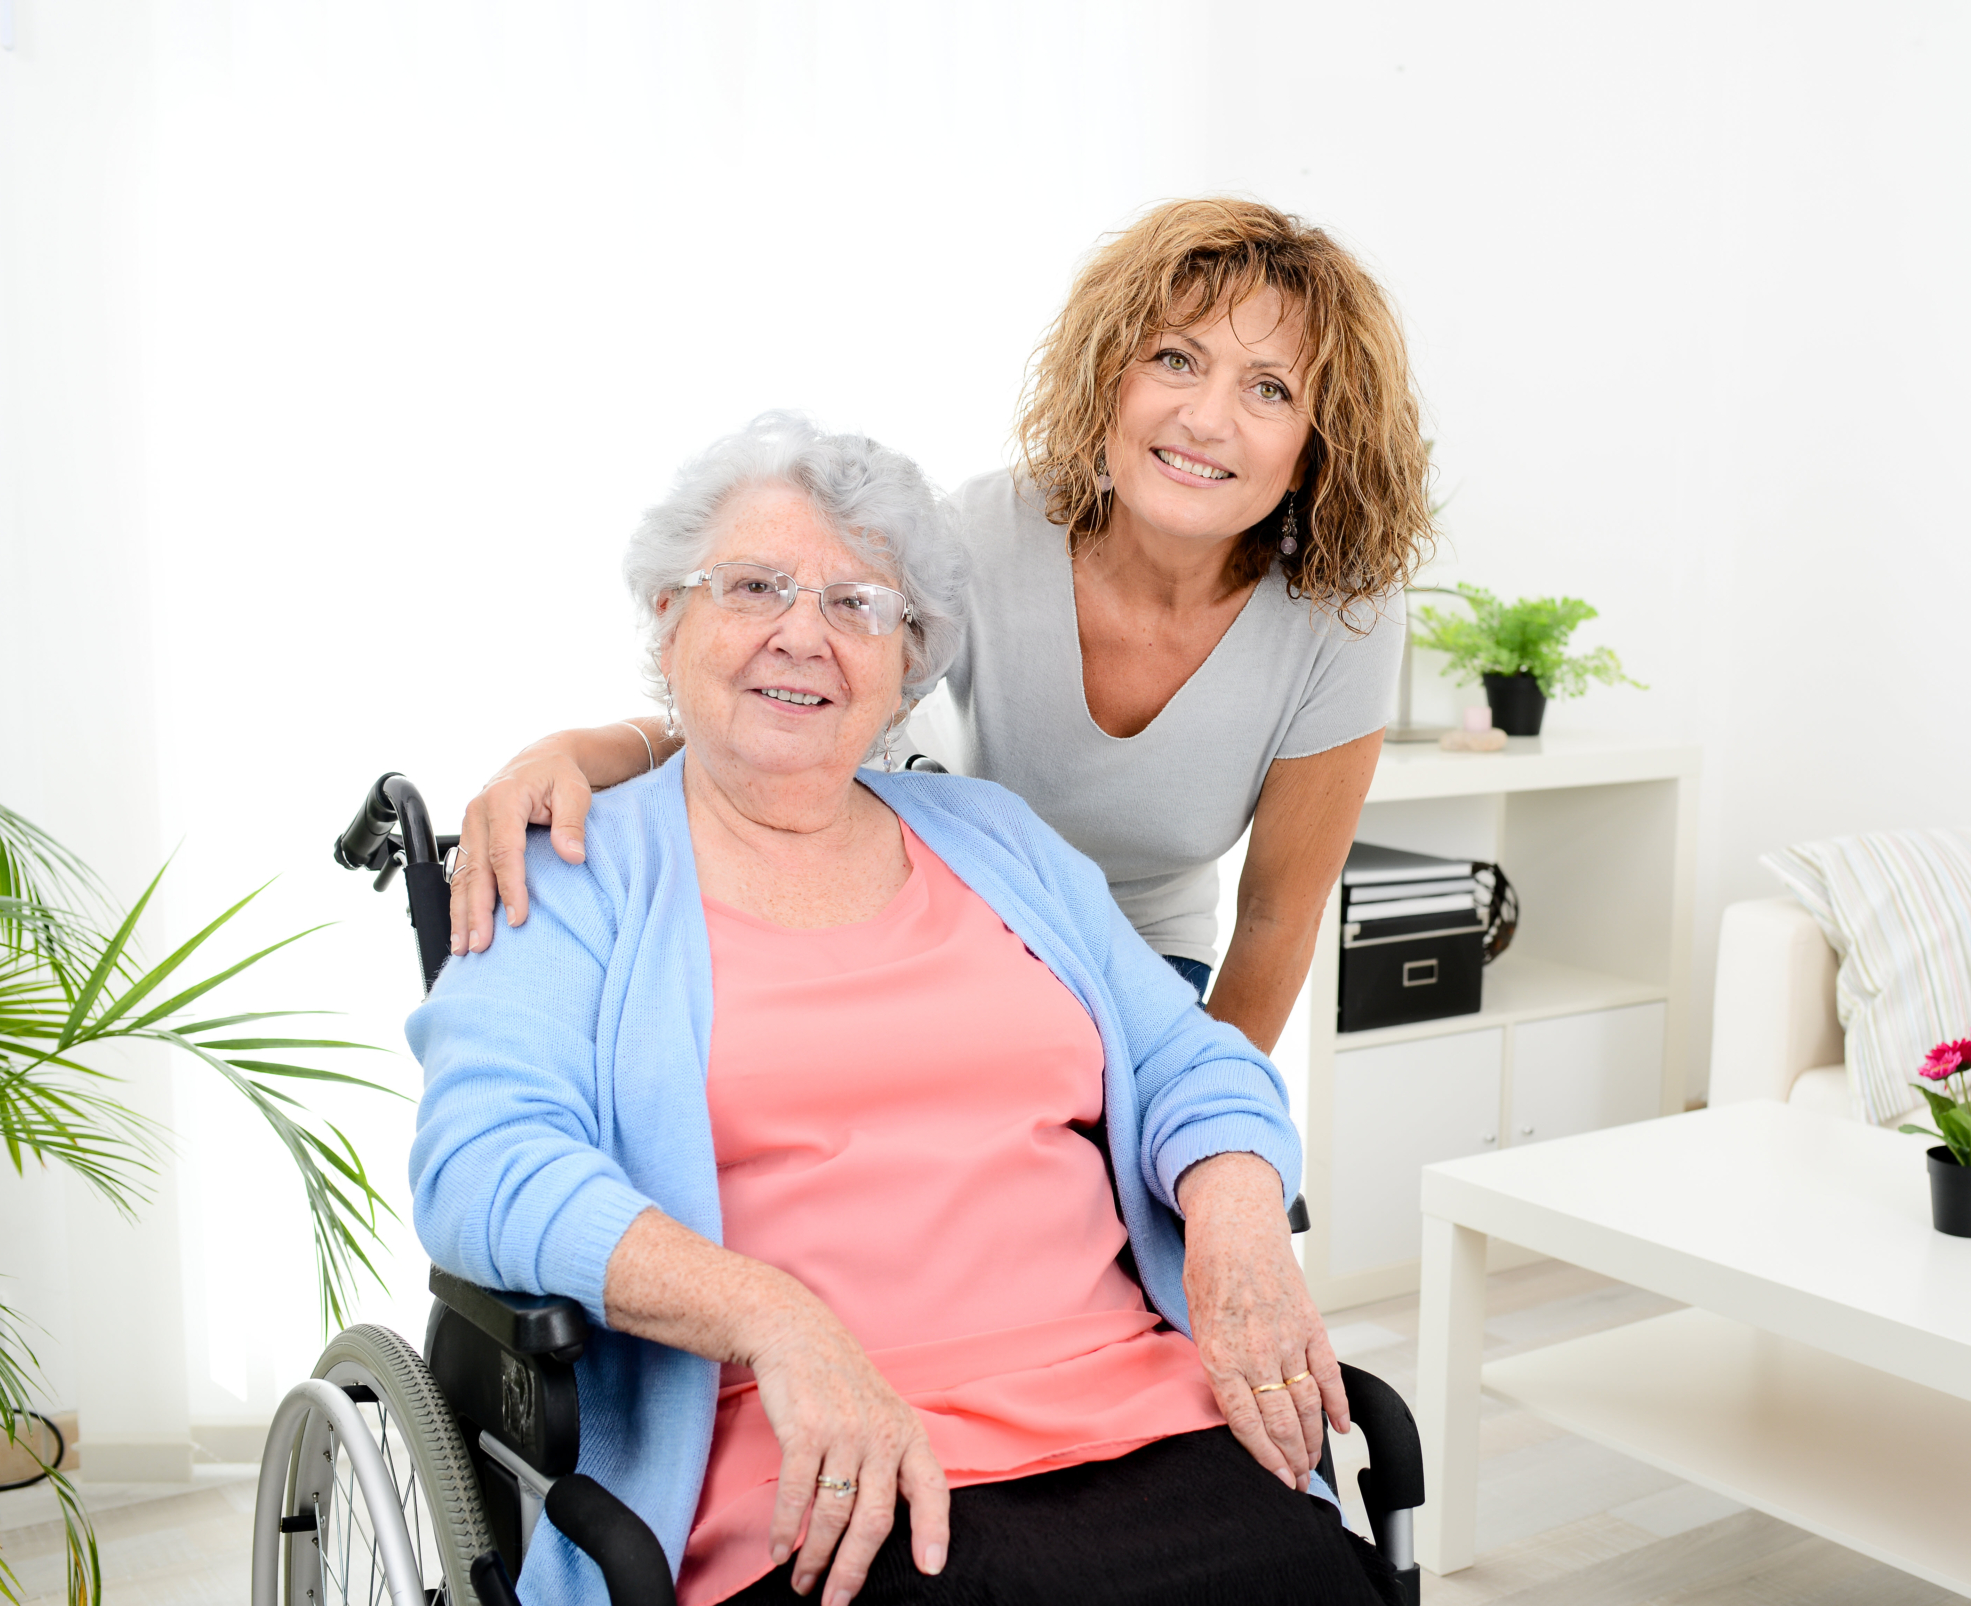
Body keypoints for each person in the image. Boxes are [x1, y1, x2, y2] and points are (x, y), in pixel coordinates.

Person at [408, 414, 1406, 1606]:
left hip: (1132, 1411)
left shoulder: (996, 837)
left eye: (858, 604)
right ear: (668, 621)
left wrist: (1232, 1209)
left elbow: (1191, 1064)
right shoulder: (572, 869)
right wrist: (774, 1317)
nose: (803, 633)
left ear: (908, 663)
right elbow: (482, 1164)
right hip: (815, 1457)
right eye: (754, 586)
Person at [447, 198, 1436, 1053]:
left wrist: (1202, 1139)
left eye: (1269, 388)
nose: (1207, 417)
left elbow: (1274, 917)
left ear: (1316, 447)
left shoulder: (1337, 621)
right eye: (1175, 358)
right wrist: (583, 749)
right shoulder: (988, 534)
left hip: (1143, 953)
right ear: (1110, 382)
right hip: (958, 914)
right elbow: (803, 693)